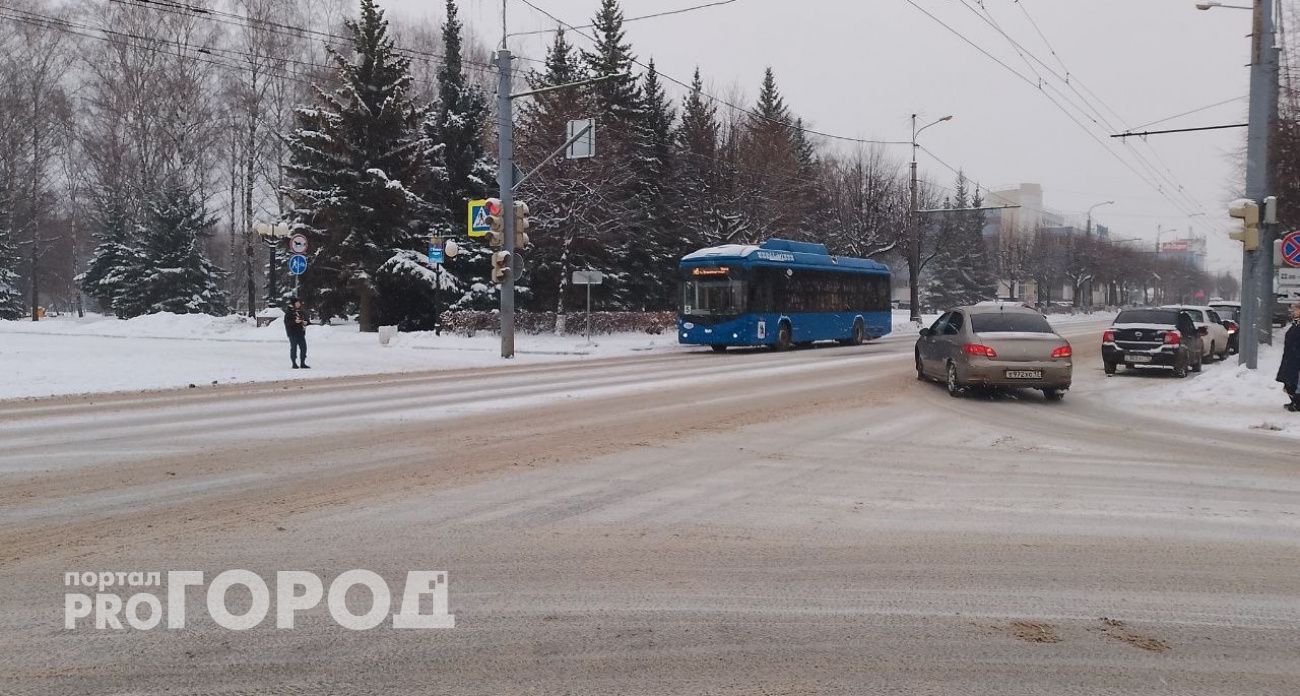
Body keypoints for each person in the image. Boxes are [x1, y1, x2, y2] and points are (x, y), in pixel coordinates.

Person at [1278, 302, 1300, 411]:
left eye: (1295, 309)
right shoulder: (1296, 323)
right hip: (1291, 356)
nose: (1293, 312)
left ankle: (1297, 403)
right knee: (1289, 381)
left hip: (1296, 357)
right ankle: (1294, 401)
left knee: (1296, 381)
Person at [285, 297, 310, 369]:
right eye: (297, 303)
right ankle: (294, 363)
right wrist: (294, 322)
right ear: (293, 304)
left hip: (301, 333)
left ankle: (302, 362)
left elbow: (306, 320)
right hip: (292, 333)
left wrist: (306, 322)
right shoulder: (289, 312)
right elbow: (287, 323)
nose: (299, 304)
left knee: (303, 348)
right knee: (294, 348)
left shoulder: (301, 311)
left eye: (299, 302)